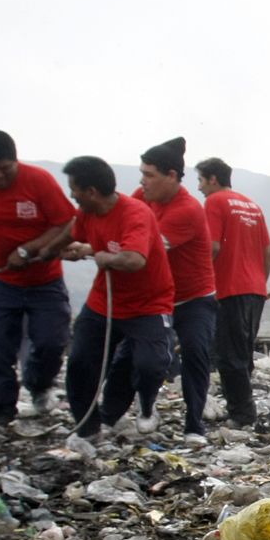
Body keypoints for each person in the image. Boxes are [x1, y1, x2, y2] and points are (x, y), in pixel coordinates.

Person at [0, 130, 77, 426]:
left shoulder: (39, 181)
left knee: (51, 341)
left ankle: (38, 384)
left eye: (4, 169)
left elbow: (66, 222)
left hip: (44, 280)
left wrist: (28, 249)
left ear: (15, 161)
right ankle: (1, 407)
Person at [59, 156, 175, 440]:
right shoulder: (86, 212)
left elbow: (134, 259)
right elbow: (69, 234)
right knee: (80, 363)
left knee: (150, 364)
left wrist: (96, 254)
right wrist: (45, 251)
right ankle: (88, 428)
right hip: (104, 303)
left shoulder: (135, 214)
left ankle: (147, 405)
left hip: (149, 304)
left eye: (74, 189)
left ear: (91, 192)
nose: (72, 195)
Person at [136, 137, 218, 444]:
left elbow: (145, 249)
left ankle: (194, 423)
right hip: (158, 297)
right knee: (149, 358)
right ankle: (146, 406)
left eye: (149, 174)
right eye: (141, 174)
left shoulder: (187, 209)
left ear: (171, 176)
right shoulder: (140, 199)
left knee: (196, 353)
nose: (142, 181)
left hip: (194, 297)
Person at [196, 157, 270, 428]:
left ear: (213, 179)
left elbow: (212, 247)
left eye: (201, 181)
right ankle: (241, 406)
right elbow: (268, 252)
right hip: (254, 289)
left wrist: (199, 283)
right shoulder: (252, 206)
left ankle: (242, 413)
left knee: (229, 355)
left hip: (229, 288)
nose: (199, 188)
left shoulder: (215, 202)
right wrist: (259, 283)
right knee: (242, 353)